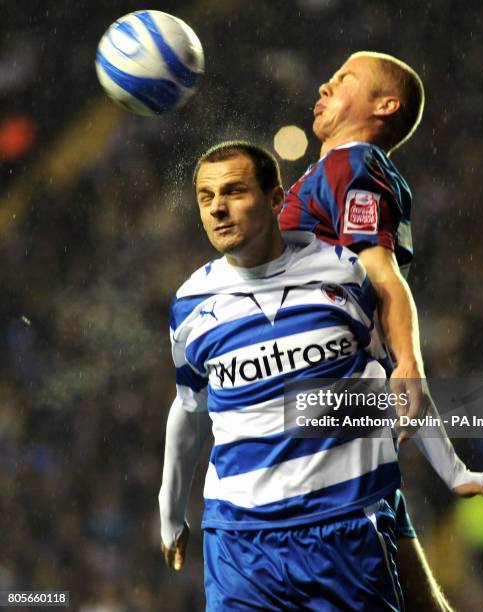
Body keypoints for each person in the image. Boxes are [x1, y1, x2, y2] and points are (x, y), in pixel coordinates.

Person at [278, 51, 483, 610]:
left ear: (383, 106)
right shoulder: (329, 176)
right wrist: (454, 469)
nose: (323, 82)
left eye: (344, 79)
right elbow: (381, 367)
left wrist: (411, 365)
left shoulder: (355, 165)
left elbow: (381, 277)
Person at [160, 141, 409, 610]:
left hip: (343, 531)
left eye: (233, 191)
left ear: (276, 200)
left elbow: (384, 380)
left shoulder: (342, 273)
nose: (218, 208)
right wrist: (169, 513)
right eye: (206, 197)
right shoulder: (189, 305)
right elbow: (188, 407)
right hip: (238, 541)